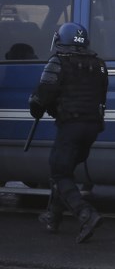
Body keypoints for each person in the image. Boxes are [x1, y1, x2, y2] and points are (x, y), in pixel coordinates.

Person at [29, 23, 108, 243]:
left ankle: (86, 215)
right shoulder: (99, 64)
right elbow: (101, 98)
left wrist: (36, 106)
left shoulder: (58, 62)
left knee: (59, 172)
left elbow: (42, 98)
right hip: (92, 127)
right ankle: (52, 217)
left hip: (71, 127)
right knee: (65, 171)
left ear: (61, 39)